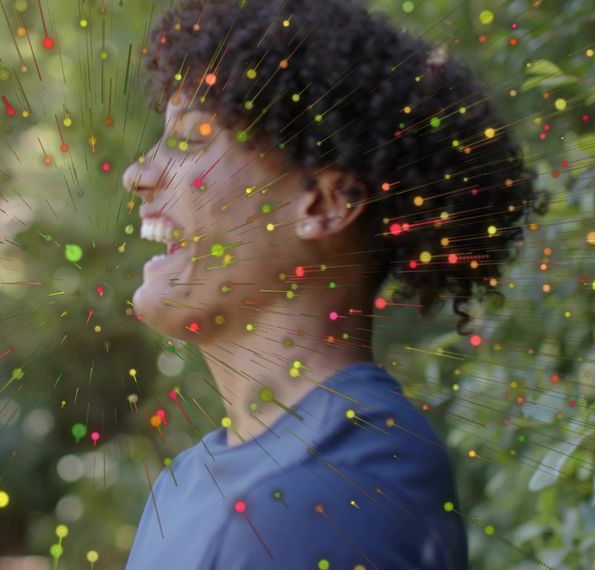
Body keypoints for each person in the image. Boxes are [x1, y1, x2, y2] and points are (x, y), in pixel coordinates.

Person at [121, 0, 543, 568]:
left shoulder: (338, 495)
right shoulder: (184, 486)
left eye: (191, 138)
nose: (138, 174)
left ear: (323, 204)